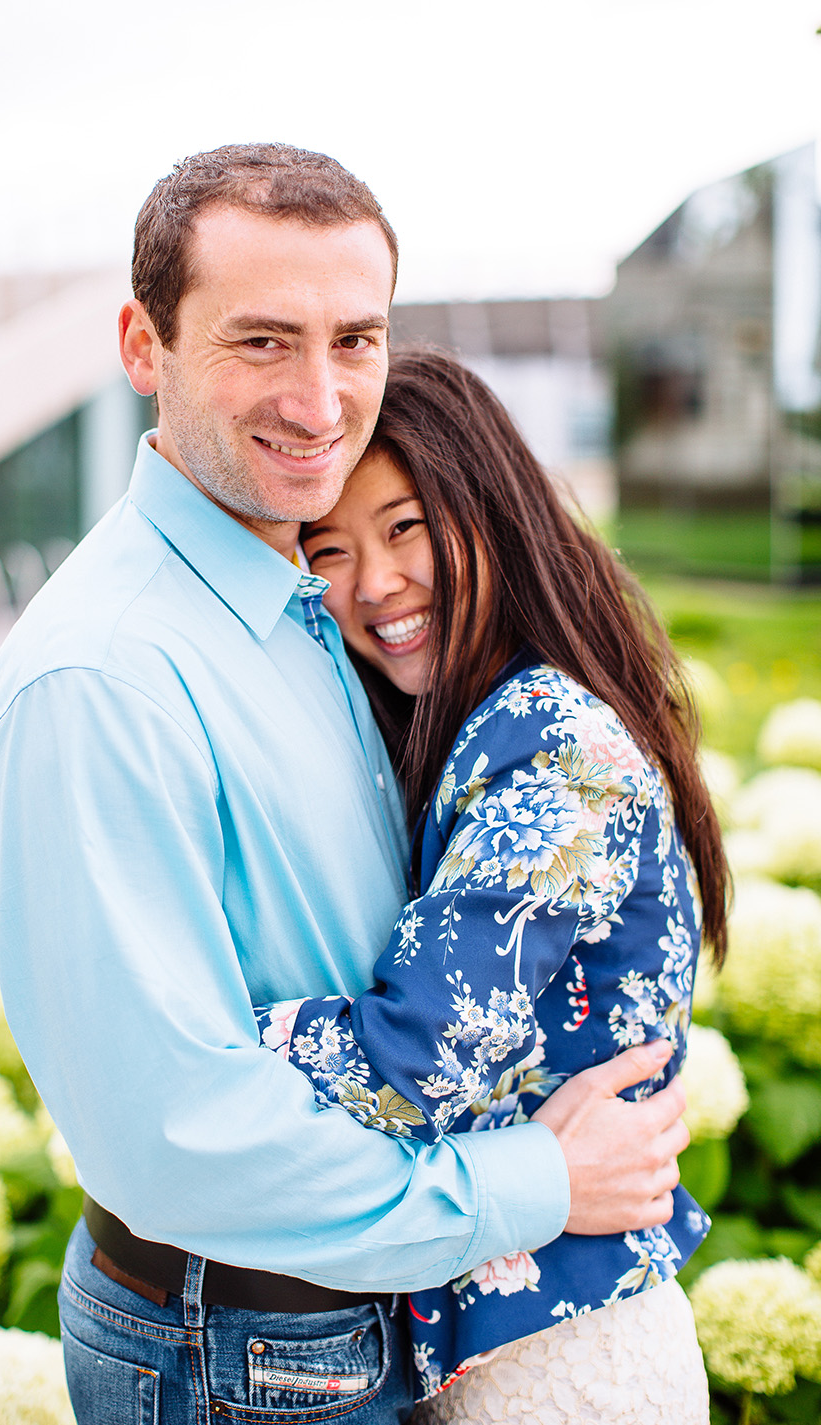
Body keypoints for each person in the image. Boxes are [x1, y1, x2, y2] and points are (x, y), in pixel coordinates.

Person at [0, 145, 688, 1424]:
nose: (318, 397)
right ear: (144, 346)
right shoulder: (101, 678)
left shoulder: (315, 612)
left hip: (382, 1319)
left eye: (355, 339)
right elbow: (176, 1133)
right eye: (262, 342)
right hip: (236, 1338)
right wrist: (537, 1183)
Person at [251, 349, 724, 1421]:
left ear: (493, 509)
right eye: (329, 547)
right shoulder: (472, 727)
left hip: (568, 1363)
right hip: (516, 1337)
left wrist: (197, 1036)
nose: (373, 582)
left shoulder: (549, 744)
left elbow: (420, 1057)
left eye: (407, 526)